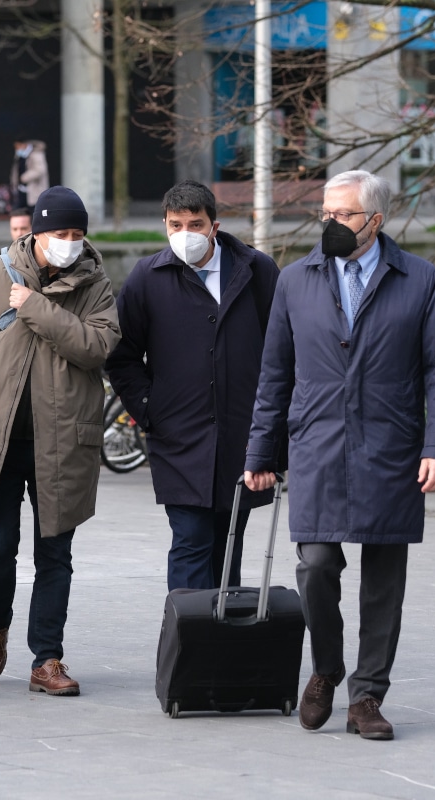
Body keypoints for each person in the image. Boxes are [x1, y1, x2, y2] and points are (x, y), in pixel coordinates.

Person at [244, 170, 435, 741]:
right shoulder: (296, 280)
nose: (331, 222)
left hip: (391, 447)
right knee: (316, 565)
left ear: (375, 220)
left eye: (343, 214)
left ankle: (367, 696)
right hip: (316, 444)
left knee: (384, 579)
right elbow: (274, 373)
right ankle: (326, 668)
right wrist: (261, 450)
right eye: (326, 212)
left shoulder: (419, 279)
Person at [0, 186, 120, 696]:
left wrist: (37, 308)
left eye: (77, 234)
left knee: (54, 552)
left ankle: (47, 658)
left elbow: (97, 346)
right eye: (60, 233)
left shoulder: (95, 284)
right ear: (36, 233)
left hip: (63, 442)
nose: (69, 242)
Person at [106, 181, 279, 591]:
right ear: (165, 225)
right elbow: (122, 356)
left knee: (227, 546)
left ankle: (222, 628)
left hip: (242, 438)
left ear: (214, 226)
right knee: (190, 540)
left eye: (195, 224)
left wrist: (271, 435)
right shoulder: (147, 277)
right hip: (178, 438)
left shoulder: (257, 271)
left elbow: (281, 352)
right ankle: (188, 630)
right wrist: (150, 408)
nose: (185, 234)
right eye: (176, 225)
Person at [10, 139, 49, 213]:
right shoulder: (19, 156)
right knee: (18, 212)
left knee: (34, 213)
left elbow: (39, 170)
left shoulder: (36, 154)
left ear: (24, 144)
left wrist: (24, 178)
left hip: (34, 191)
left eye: (18, 146)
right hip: (21, 191)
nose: (17, 149)